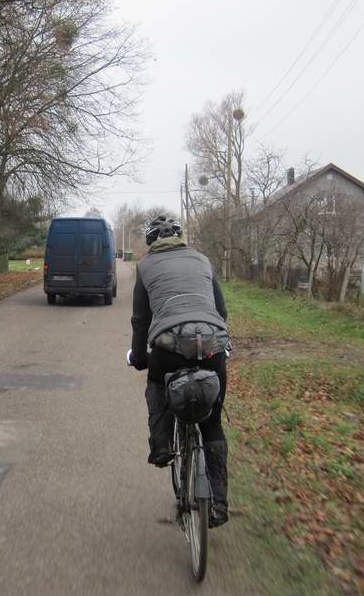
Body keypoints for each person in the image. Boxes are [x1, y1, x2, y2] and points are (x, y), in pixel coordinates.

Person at [128, 216, 230, 528]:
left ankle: (161, 446)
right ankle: (219, 505)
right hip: (212, 343)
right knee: (212, 423)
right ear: (180, 238)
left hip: (168, 347)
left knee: (158, 385)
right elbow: (221, 311)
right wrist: (222, 342)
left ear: (151, 242)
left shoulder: (145, 268)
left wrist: (140, 358)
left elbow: (140, 320)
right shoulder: (202, 260)